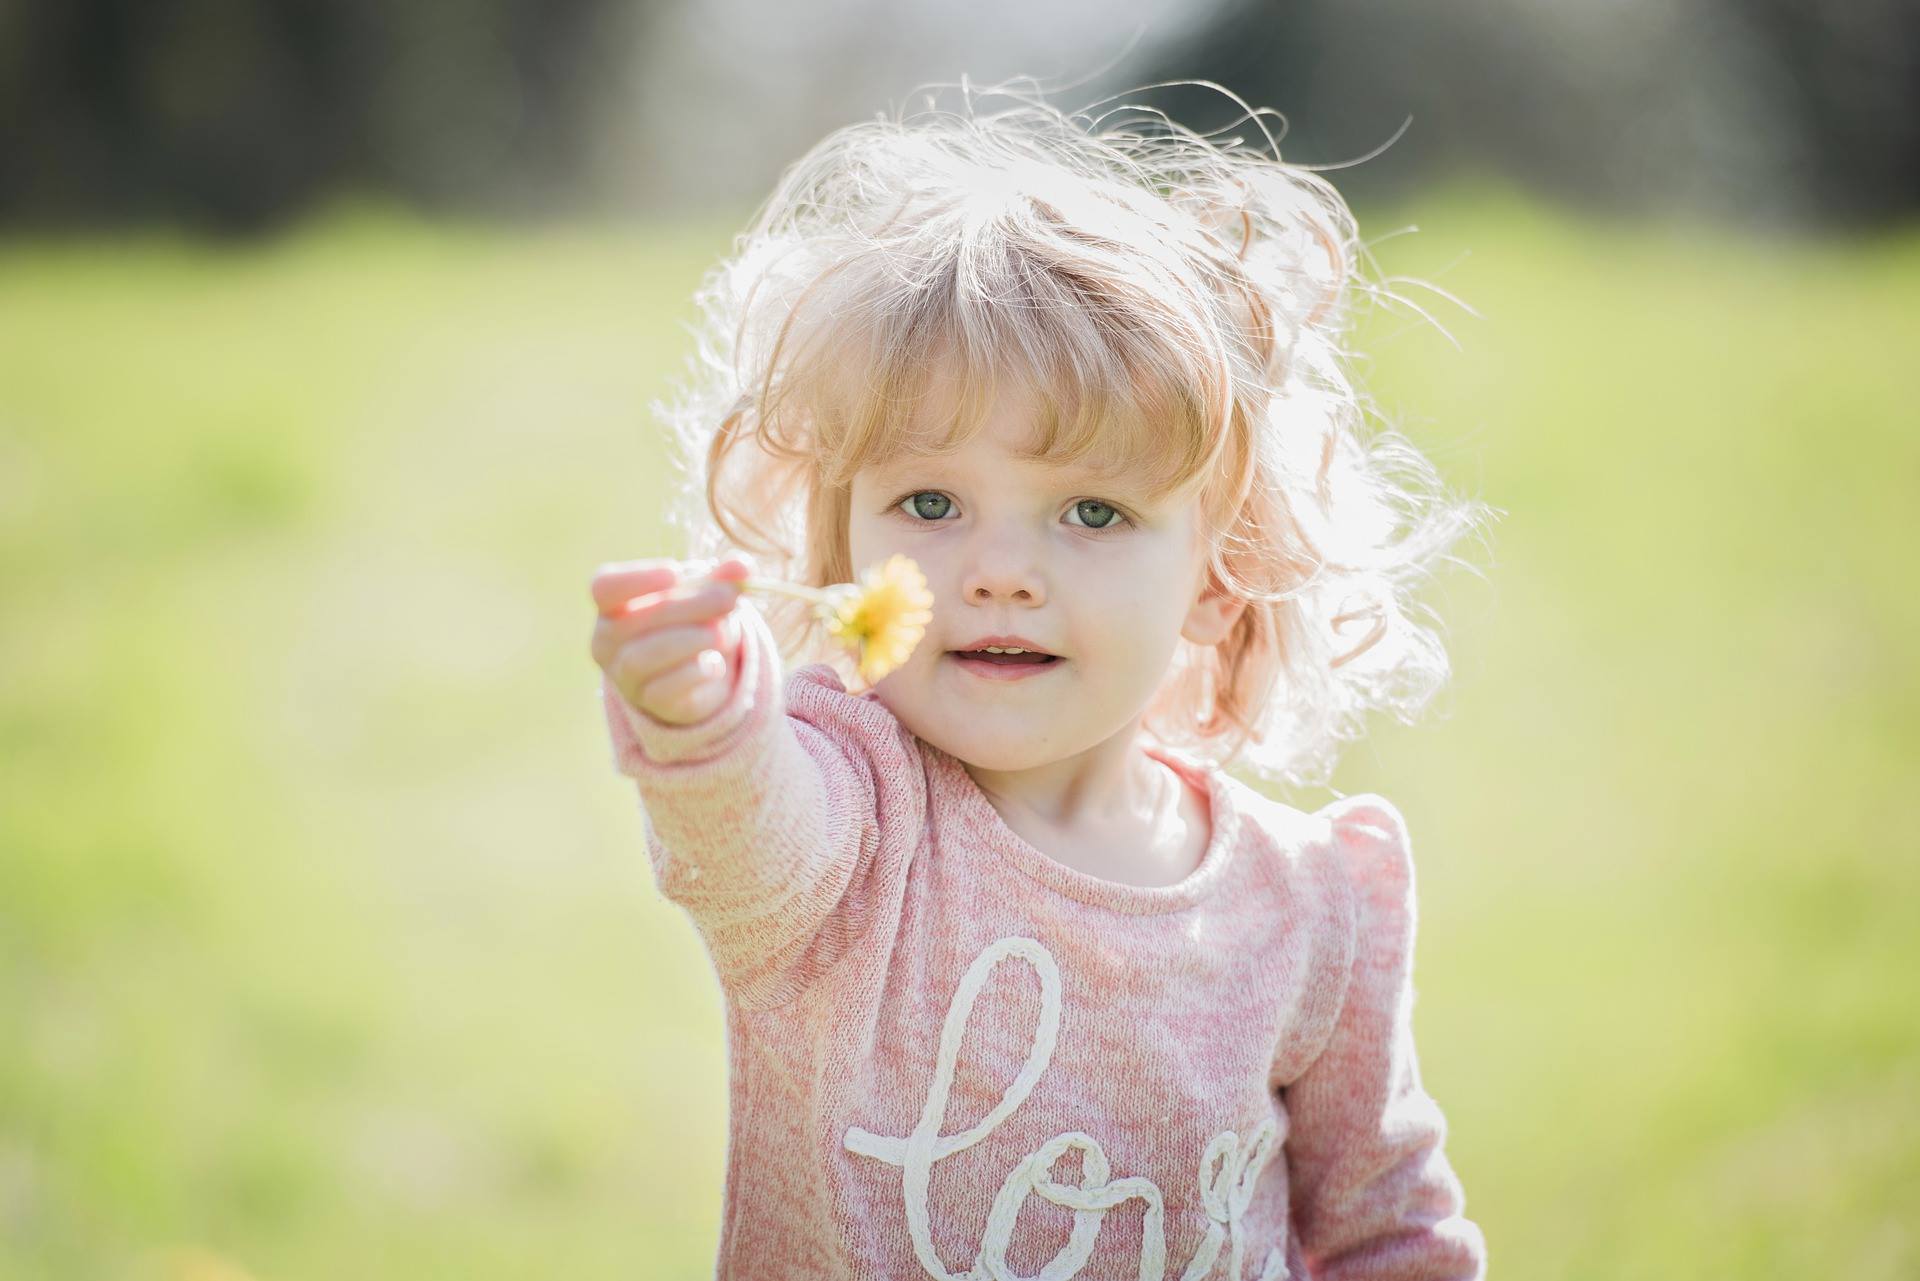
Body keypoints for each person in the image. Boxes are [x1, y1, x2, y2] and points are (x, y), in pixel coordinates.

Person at [587, 80, 1493, 1280]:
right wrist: (705, 717)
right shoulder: (850, 822)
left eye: (1093, 511)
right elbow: (746, 827)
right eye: (929, 503)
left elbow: (1391, 1233)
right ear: (840, 548)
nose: (1001, 572)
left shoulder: (1310, 905)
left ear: (1218, 578)